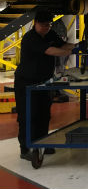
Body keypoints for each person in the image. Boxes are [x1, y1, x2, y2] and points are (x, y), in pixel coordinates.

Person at [14, 9, 74, 161]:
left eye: (48, 25)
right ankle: (26, 148)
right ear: (35, 24)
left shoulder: (50, 34)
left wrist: (77, 47)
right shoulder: (30, 38)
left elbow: (64, 45)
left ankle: (43, 143)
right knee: (28, 115)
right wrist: (67, 52)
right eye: (43, 25)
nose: (46, 28)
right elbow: (51, 51)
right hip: (26, 83)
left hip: (44, 82)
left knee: (43, 114)